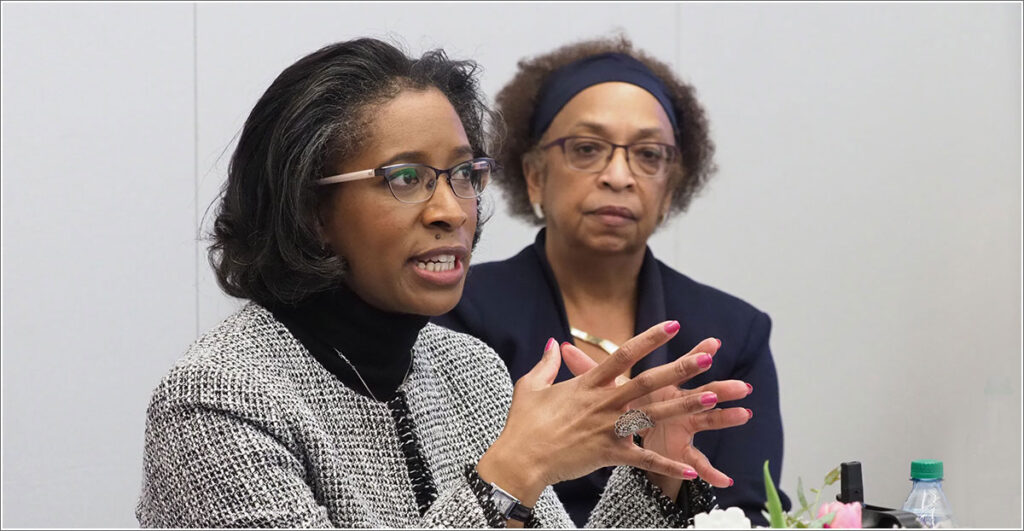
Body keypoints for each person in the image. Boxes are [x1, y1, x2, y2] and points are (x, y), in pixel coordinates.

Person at [135, 38, 755, 528]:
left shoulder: (468, 370)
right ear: (308, 210)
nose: (453, 211)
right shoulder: (218, 400)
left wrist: (655, 476)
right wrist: (513, 471)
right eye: (406, 178)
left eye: (463, 174)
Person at [434, 35, 791, 526]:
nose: (619, 176)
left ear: (671, 188)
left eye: (648, 155)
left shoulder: (733, 332)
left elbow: (746, 512)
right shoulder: (458, 313)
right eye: (587, 148)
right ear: (534, 175)